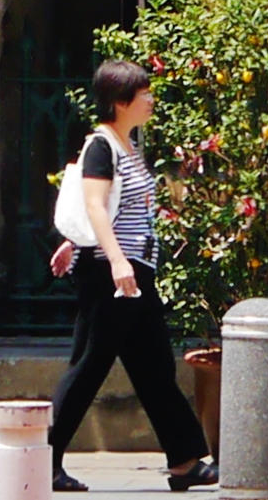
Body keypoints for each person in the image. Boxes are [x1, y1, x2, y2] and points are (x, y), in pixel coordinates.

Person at [47, 60, 215, 494]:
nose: (150, 100)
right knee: (88, 365)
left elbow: (112, 207)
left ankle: (184, 460)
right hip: (112, 274)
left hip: (131, 269)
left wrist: (80, 243)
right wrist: (117, 261)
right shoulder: (102, 146)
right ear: (121, 102)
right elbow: (95, 205)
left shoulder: (124, 145)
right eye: (143, 94)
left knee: (154, 364)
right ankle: (43, 459)